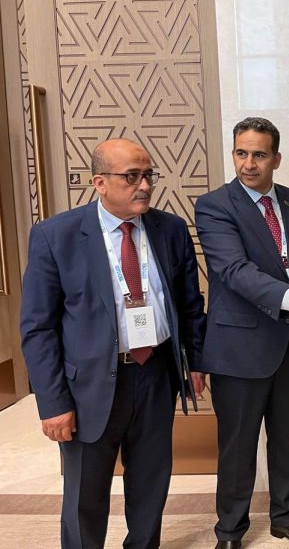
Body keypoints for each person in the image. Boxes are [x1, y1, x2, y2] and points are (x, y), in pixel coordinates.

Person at [20, 139, 206, 548]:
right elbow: (37, 328)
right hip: (87, 384)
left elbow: (190, 304)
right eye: (132, 176)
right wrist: (53, 403)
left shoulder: (170, 229)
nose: (145, 186)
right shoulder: (56, 236)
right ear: (99, 182)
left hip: (155, 372)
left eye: (149, 175)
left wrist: (194, 362)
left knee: (151, 481)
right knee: (85, 494)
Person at [195, 117, 289, 549]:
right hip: (239, 347)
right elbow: (234, 271)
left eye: (259, 154)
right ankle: (230, 530)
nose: (248, 163)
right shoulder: (215, 206)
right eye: (241, 153)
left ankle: (286, 517)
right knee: (237, 446)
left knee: (288, 438)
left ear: (276, 158)